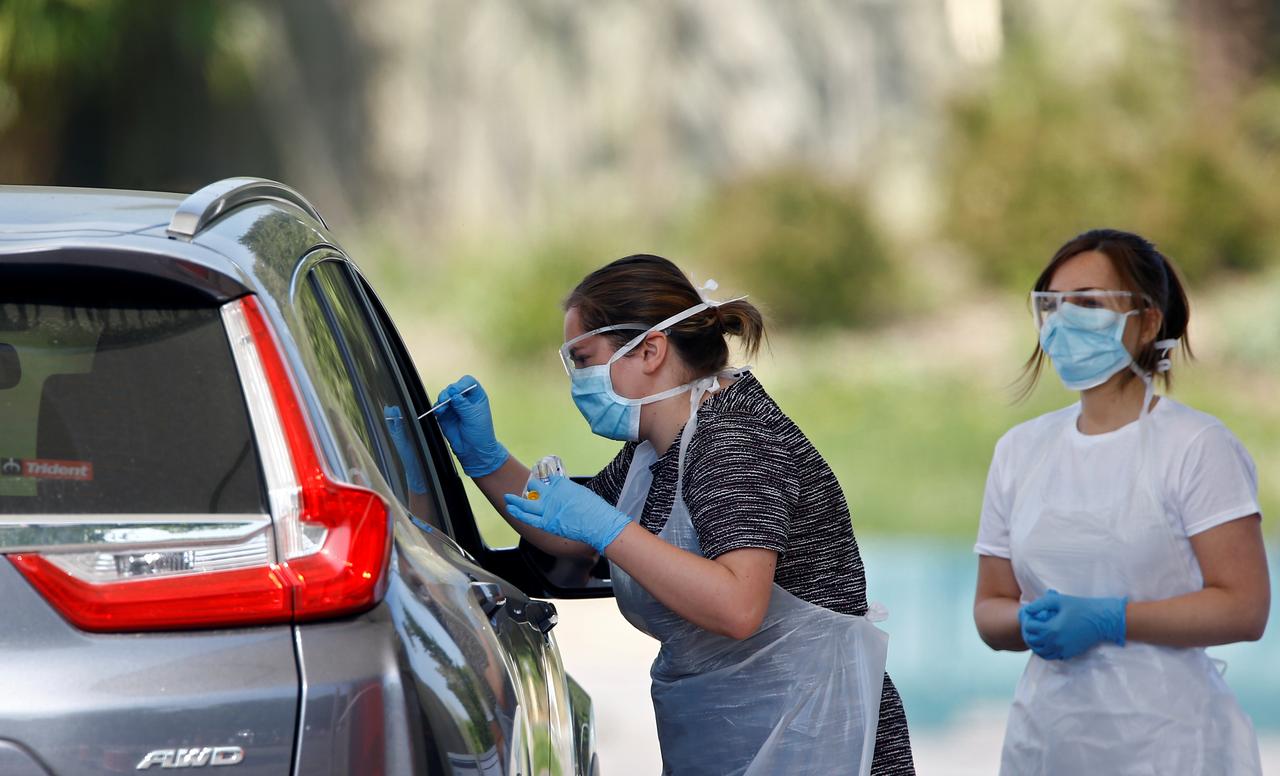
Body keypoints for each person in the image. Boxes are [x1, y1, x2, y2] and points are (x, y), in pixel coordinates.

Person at [436, 254, 915, 775]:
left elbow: (738, 605)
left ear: (650, 351)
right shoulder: (659, 446)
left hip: (820, 743)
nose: (576, 380)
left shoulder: (732, 439)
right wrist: (485, 460)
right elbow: (570, 533)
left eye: (583, 358)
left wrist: (606, 527)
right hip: (748, 739)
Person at [973, 229, 1270, 774]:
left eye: (1088, 303)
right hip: (1046, 742)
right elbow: (990, 606)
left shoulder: (1196, 446)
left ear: (1147, 322)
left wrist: (1113, 619)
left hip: (1171, 745)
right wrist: (1024, 622)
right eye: (1052, 305)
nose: (1064, 321)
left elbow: (1244, 607)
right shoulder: (1020, 450)